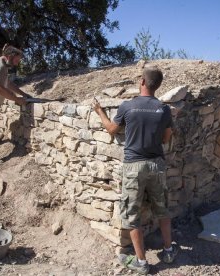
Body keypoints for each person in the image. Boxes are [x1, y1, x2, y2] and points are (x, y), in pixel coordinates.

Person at [93, 66, 178, 275]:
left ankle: (141, 262)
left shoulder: (127, 106)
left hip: (133, 166)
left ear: (142, 82)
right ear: (158, 86)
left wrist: (100, 112)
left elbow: (112, 130)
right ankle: (168, 251)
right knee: (162, 209)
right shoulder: (164, 109)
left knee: (132, 214)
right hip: (156, 165)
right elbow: (166, 139)